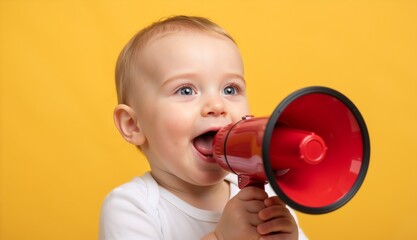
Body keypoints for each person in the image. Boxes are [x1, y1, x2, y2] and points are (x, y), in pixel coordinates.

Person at [99, 15, 308, 240]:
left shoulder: (268, 196)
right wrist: (220, 237)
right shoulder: (132, 207)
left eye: (230, 89)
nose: (217, 106)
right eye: (186, 90)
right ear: (133, 125)